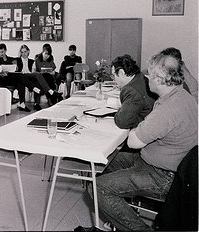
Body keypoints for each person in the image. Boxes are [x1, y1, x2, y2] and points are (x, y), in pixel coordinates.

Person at [82, 53, 197, 231]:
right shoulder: (182, 95)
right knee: (109, 161)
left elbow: (134, 141)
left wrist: (138, 128)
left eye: (150, 74)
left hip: (163, 175)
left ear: (160, 79)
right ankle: (119, 213)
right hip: (164, 164)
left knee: (97, 188)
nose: (146, 77)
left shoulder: (168, 109)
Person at [111, 54, 157, 129]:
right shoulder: (141, 78)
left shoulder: (131, 90)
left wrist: (119, 112)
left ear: (121, 73)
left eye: (114, 75)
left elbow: (122, 122)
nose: (114, 80)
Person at [15, 44, 61, 110]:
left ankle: (37, 103)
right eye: (22, 52)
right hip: (21, 76)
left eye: (25, 51)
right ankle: (50, 91)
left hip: (30, 77)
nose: (23, 54)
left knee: (38, 80)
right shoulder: (17, 60)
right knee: (36, 75)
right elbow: (15, 70)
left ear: (28, 51)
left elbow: (33, 71)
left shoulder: (31, 61)